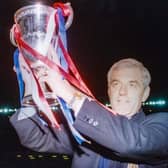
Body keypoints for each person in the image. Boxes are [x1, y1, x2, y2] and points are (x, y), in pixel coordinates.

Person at [10, 58, 168, 168]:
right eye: (116, 84)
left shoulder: (160, 125)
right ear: (108, 90)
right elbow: (35, 138)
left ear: (145, 93)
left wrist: (69, 93)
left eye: (132, 84)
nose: (122, 92)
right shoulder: (83, 132)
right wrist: (30, 88)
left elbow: (132, 144)